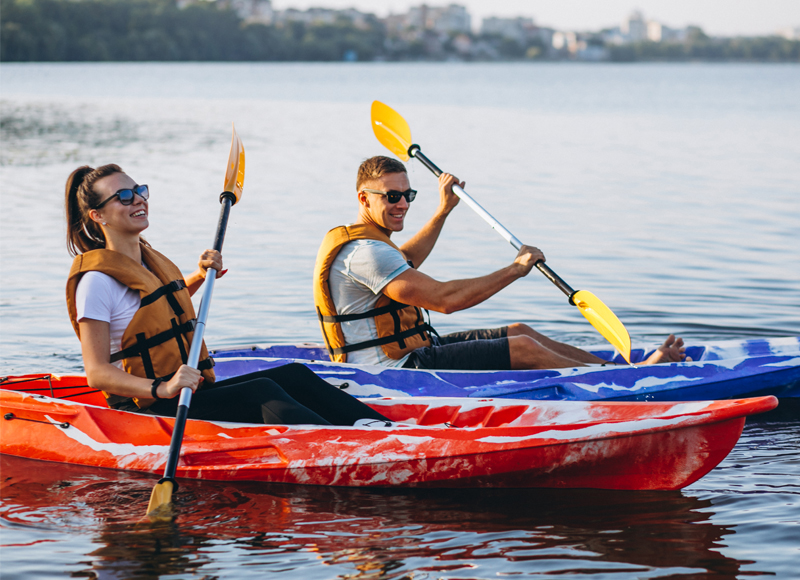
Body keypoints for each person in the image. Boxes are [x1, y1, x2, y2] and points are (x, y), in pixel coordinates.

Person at [65, 163, 389, 426]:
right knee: (260, 391)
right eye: (123, 196)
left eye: (140, 191)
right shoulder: (96, 282)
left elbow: (156, 310)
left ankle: (379, 430)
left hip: (188, 393)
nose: (138, 199)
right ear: (98, 216)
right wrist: (162, 387)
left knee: (294, 374)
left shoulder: (147, 262)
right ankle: (344, 447)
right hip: (151, 407)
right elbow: (97, 373)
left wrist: (200, 275)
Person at [313, 156, 686, 370]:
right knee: (524, 349)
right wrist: (514, 269)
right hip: (386, 374)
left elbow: (406, 258)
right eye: (392, 196)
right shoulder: (366, 253)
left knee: (520, 330)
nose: (403, 204)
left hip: (409, 352)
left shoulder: (370, 246)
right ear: (364, 198)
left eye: (408, 194)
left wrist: (443, 210)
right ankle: (628, 383)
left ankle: (620, 374)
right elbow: (446, 301)